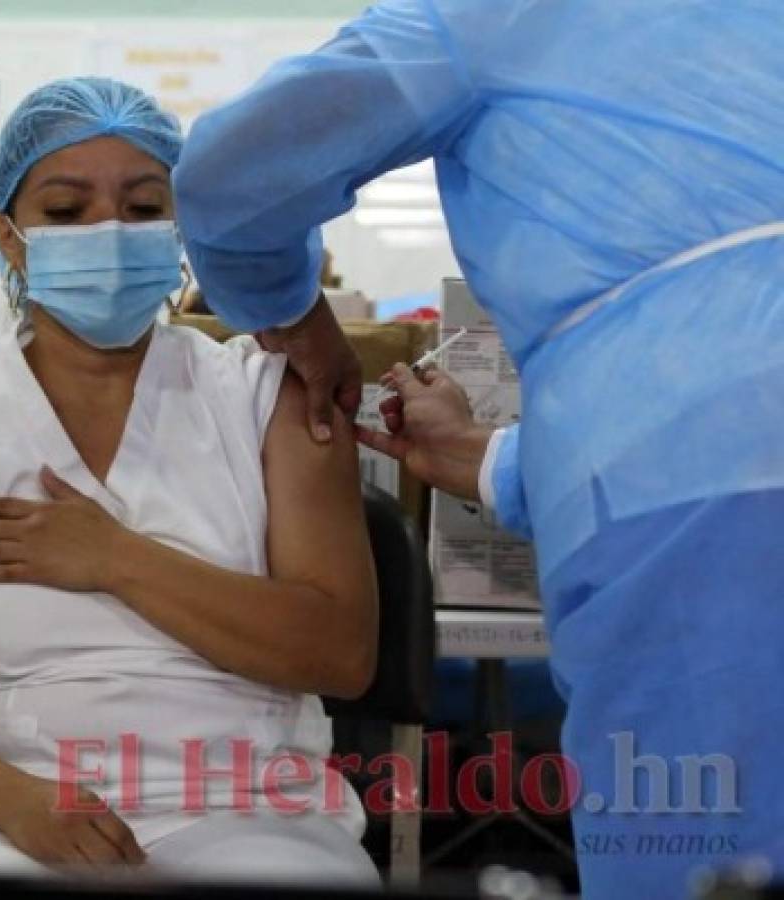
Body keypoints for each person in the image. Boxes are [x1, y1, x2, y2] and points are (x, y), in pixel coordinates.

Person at [172, 2, 784, 897]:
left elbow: (230, 177)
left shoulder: (491, 13)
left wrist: (291, 317)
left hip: (708, 514)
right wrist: (496, 462)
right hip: (701, 482)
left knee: (707, 846)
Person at [0, 77, 381, 888]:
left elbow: (340, 653)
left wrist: (115, 558)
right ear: (10, 239)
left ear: (183, 228)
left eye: (144, 207)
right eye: (65, 210)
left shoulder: (269, 400)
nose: (108, 233)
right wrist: (13, 801)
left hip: (238, 802)